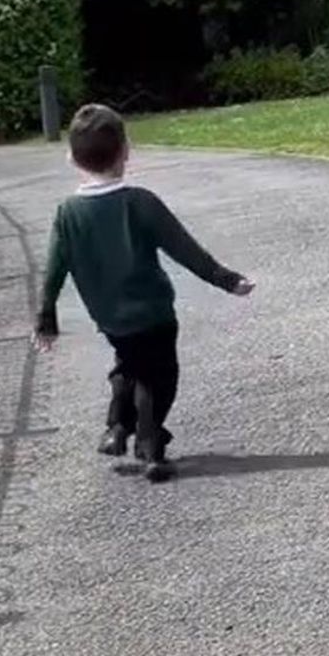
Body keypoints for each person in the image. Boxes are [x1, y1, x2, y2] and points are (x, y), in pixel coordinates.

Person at [32, 104, 254, 483]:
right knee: (158, 377)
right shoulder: (141, 203)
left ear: (71, 157)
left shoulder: (67, 212)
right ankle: (150, 446)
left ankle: (118, 426)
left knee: (129, 363)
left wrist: (46, 316)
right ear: (125, 151)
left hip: (110, 318)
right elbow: (184, 249)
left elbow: (54, 267)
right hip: (154, 315)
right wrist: (226, 279)